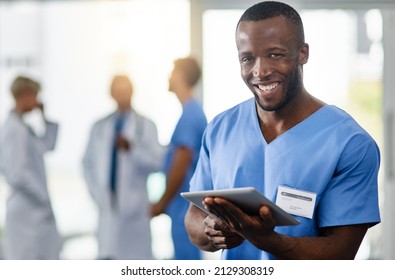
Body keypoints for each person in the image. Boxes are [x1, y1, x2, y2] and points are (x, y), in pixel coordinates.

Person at [185, 1, 381, 260]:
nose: (260, 71)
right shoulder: (220, 129)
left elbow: (341, 253)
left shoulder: (350, 143)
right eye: (248, 58)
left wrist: (268, 240)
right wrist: (211, 230)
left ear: (303, 53)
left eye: (275, 54)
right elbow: (194, 216)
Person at [83, 75, 164, 260]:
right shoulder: (99, 127)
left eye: (125, 91)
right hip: (107, 207)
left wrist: (132, 149)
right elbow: (87, 164)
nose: (122, 95)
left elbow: (157, 163)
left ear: (132, 92)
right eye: (118, 91)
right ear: (111, 94)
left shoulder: (146, 126)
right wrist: (96, 192)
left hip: (135, 211)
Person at [151, 57, 207, 260]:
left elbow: (181, 165)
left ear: (181, 76)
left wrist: (161, 203)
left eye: (172, 72)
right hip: (183, 209)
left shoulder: (190, 115)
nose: (169, 76)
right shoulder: (191, 113)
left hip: (184, 209)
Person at [0, 76, 61, 259]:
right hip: (28, 208)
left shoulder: (22, 127)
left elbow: (48, 145)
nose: (38, 101)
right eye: (36, 96)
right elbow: (17, 174)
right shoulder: (15, 130)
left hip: (30, 207)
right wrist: (42, 197)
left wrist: (43, 115)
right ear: (25, 95)